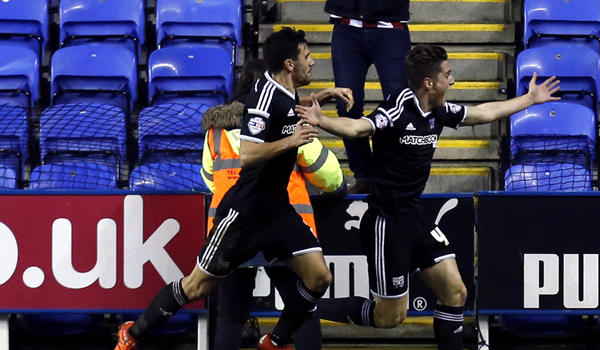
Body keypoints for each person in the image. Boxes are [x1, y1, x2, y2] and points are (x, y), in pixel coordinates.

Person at [296, 44, 561, 350]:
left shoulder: (439, 111)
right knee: (389, 317)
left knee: (455, 293)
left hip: (415, 218)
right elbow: (359, 128)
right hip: (387, 223)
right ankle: (305, 308)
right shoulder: (398, 107)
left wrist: (529, 99)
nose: (453, 81)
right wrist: (324, 121)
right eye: (448, 75)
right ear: (429, 83)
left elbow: (481, 113)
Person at [114, 27, 340, 350]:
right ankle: (131, 334)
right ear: (290, 64)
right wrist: (292, 140)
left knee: (320, 277)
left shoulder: (285, 93)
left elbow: (287, 110)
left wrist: (327, 95)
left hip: (277, 212)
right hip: (242, 215)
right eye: (307, 56)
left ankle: (274, 342)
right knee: (196, 287)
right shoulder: (263, 98)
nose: (313, 62)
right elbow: (248, 155)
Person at [201, 100, 347, 350]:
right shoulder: (288, 126)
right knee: (303, 309)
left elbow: (209, 180)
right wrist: (339, 189)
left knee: (231, 316)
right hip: (281, 231)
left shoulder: (215, 133)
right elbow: (328, 175)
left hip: (232, 231)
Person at [324, 0, 412, 194]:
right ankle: (364, 177)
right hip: (347, 27)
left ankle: (393, 177)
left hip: (391, 27)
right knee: (346, 105)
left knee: (399, 107)